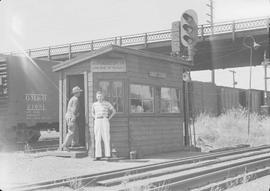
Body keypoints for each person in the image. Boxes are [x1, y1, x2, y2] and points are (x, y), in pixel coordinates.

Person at [92, 91, 116, 160]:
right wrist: (95, 117)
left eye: (101, 96)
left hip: (105, 120)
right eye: (98, 96)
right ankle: (98, 155)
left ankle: (108, 155)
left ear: (103, 96)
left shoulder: (107, 103)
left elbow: (114, 111)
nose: (99, 98)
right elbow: (92, 112)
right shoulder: (94, 104)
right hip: (97, 121)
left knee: (106, 137)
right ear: (96, 97)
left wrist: (108, 118)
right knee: (97, 138)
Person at [60, 86, 83, 151]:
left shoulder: (73, 98)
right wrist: (74, 116)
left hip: (69, 116)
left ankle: (74, 143)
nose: (80, 93)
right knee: (71, 132)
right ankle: (65, 145)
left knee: (76, 130)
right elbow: (73, 109)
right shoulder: (75, 99)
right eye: (79, 92)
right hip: (71, 116)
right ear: (76, 93)